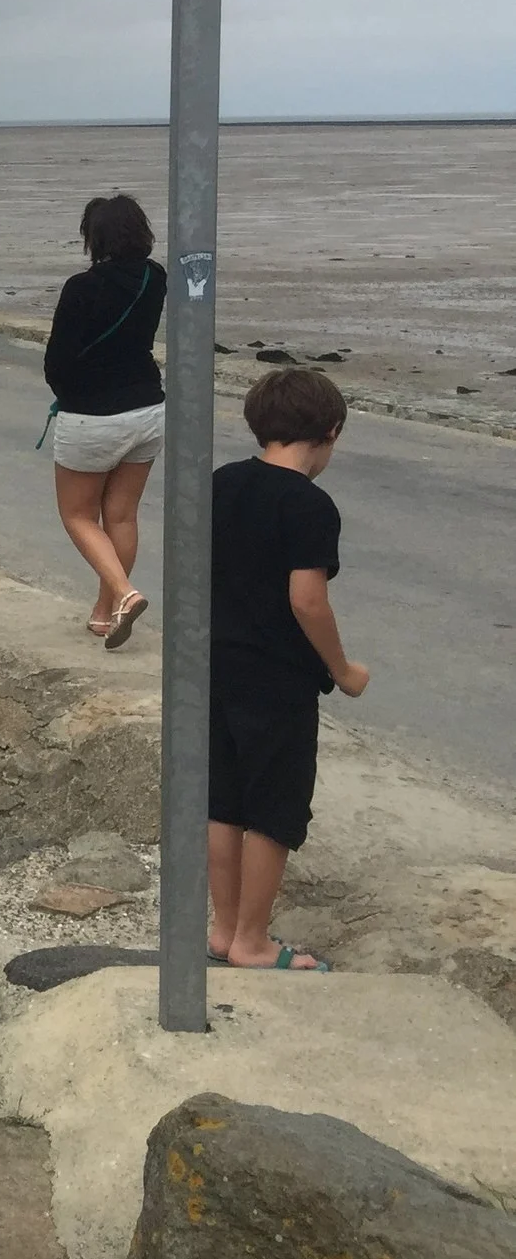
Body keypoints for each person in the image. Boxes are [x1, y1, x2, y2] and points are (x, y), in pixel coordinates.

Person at [209, 368, 369, 971]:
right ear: (330, 433)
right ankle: (253, 940)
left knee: (222, 800)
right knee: (274, 807)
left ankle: (224, 930)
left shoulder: (223, 482)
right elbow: (307, 599)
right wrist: (343, 669)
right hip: (277, 678)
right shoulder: (309, 504)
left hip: (216, 662)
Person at [42, 193, 167, 648]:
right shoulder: (156, 279)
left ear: (93, 238)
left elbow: (57, 361)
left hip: (92, 417)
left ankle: (126, 593)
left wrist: (67, 394)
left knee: (77, 515)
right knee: (122, 515)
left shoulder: (81, 288)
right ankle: (104, 612)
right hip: (149, 409)